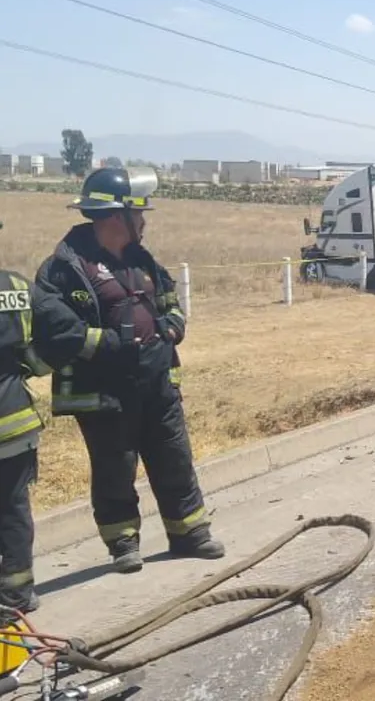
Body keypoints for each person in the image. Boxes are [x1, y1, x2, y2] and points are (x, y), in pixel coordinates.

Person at [31, 166, 224, 574]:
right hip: (105, 388)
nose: (145, 221)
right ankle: (123, 544)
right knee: (114, 466)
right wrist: (109, 345)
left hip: (157, 380)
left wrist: (172, 323)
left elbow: (169, 298)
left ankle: (190, 533)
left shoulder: (142, 258)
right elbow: (55, 326)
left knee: (173, 456)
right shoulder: (64, 268)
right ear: (117, 216)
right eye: (140, 213)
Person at [0, 220, 50, 622]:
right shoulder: (17, 289)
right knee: (13, 509)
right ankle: (18, 595)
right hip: (13, 422)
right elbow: (42, 352)